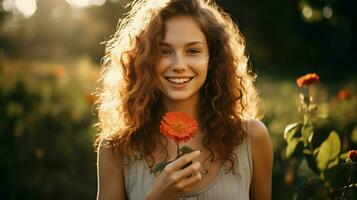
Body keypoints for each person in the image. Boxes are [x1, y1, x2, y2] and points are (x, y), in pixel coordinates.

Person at [95, 0, 273, 199]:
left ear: (212, 59)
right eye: (164, 51)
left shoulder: (251, 138)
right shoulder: (116, 148)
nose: (179, 65)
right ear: (143, 59)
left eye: (193, 51)